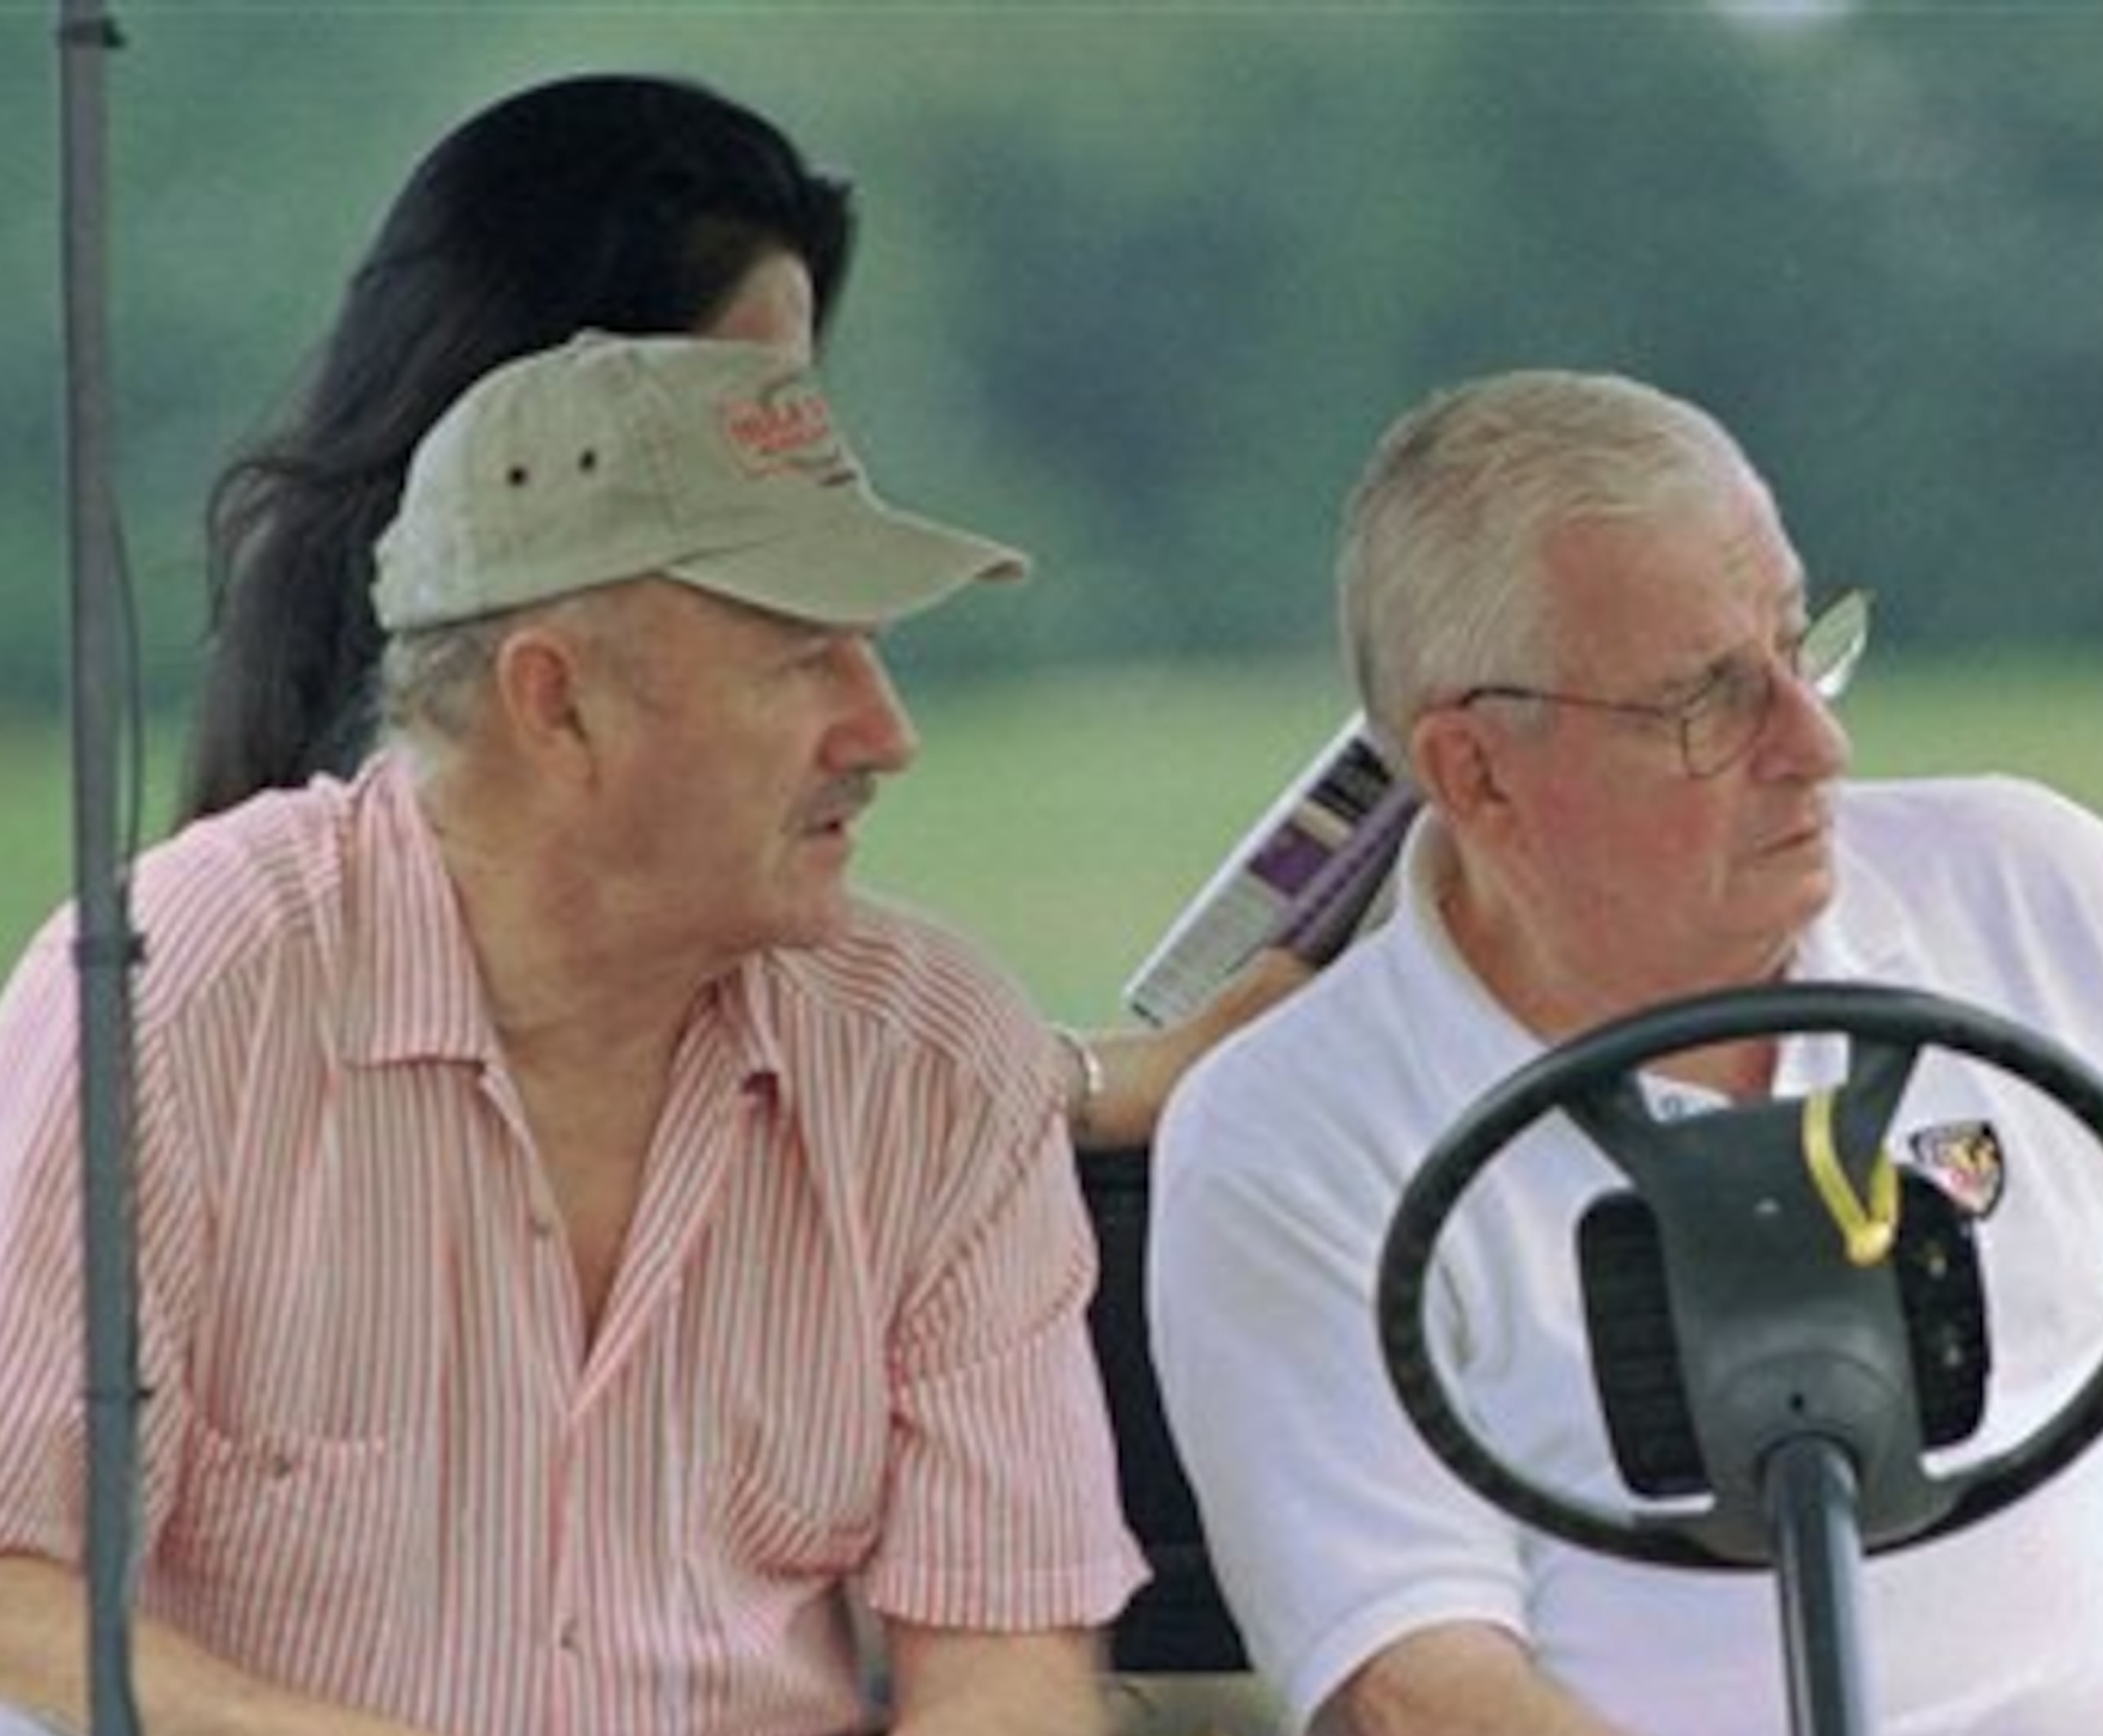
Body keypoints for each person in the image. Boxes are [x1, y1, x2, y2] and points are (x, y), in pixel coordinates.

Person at [0, 332, 1151, 1736]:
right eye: (808, 657)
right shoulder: (183, 984)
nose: (888, 733)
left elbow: (1014, 1681)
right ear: (556, 701)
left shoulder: (932, 1050)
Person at [1150, 367, 2103, 1736]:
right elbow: (1430, 1697)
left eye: (1803, 651)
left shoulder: (2039, 891)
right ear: (1476, 771)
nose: (1815, 745)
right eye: (1705, 701)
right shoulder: (1292, 1134)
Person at [183, 70, 1295, 1144]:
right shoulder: (247, 957)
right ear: (548, 699)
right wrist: (1074, 1085)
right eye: (731, 399)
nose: (776, 448)